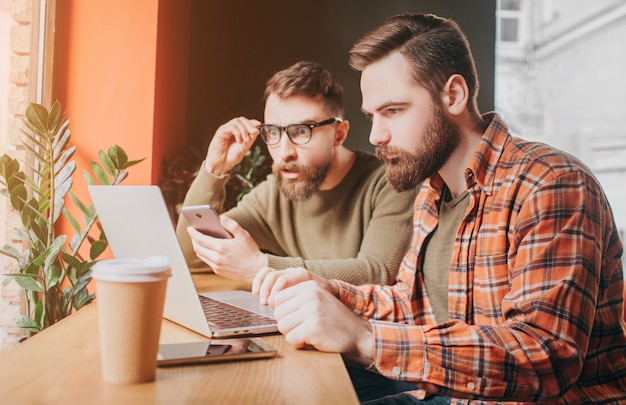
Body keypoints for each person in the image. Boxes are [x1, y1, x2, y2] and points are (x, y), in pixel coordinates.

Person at [252, 14, 626, 404]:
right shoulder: (432, 191)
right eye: (372, 116)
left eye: (393, 111)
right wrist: (330, 292)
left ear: (453, 96)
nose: (376, 135)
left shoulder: (550, 183)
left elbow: (543, 356)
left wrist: (364, 337)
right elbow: (410, 305)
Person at [176, 61, 416, 285]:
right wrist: (215, 169)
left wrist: (261, 267)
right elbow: (191, 256)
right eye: (273, 132)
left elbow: (376, 272)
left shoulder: (389, 183)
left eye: (301, 131)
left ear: (339, 134)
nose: (284, 152)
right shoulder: (273, 194)